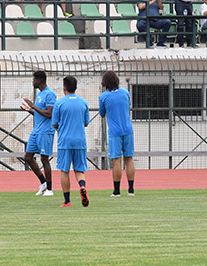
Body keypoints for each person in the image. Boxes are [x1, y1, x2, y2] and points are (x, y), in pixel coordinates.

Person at [51, 75, 91, 208]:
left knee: (64, 170)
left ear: (64, 88)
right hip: (80, 140)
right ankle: (82, 187)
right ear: (76, 87)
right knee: (79, 169)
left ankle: (67, 201)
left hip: (65, 141)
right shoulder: (83, 102)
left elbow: (54, 124)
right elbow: (86, 123)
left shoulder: (59, 103)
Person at [19, 70, 56, 197]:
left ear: (39, 81)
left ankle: (50, 189)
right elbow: (40, 114)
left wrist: (33, 106)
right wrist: (29, 110)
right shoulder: (40, 94)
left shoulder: (50, 94)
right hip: (36, 131)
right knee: (28, 157)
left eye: (34, 80)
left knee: (44, 159)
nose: (33, 82)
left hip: (45, 131)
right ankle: (43, 182)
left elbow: (49, 114)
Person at [99, 70, 135, 197]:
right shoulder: (125, 93)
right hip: (128, 129)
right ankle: (131, 190)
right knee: (129, 159)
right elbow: (127, 107)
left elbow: (102, 113)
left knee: (116, 161)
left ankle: (117, 191)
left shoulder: (103, 96)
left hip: (114, 132)